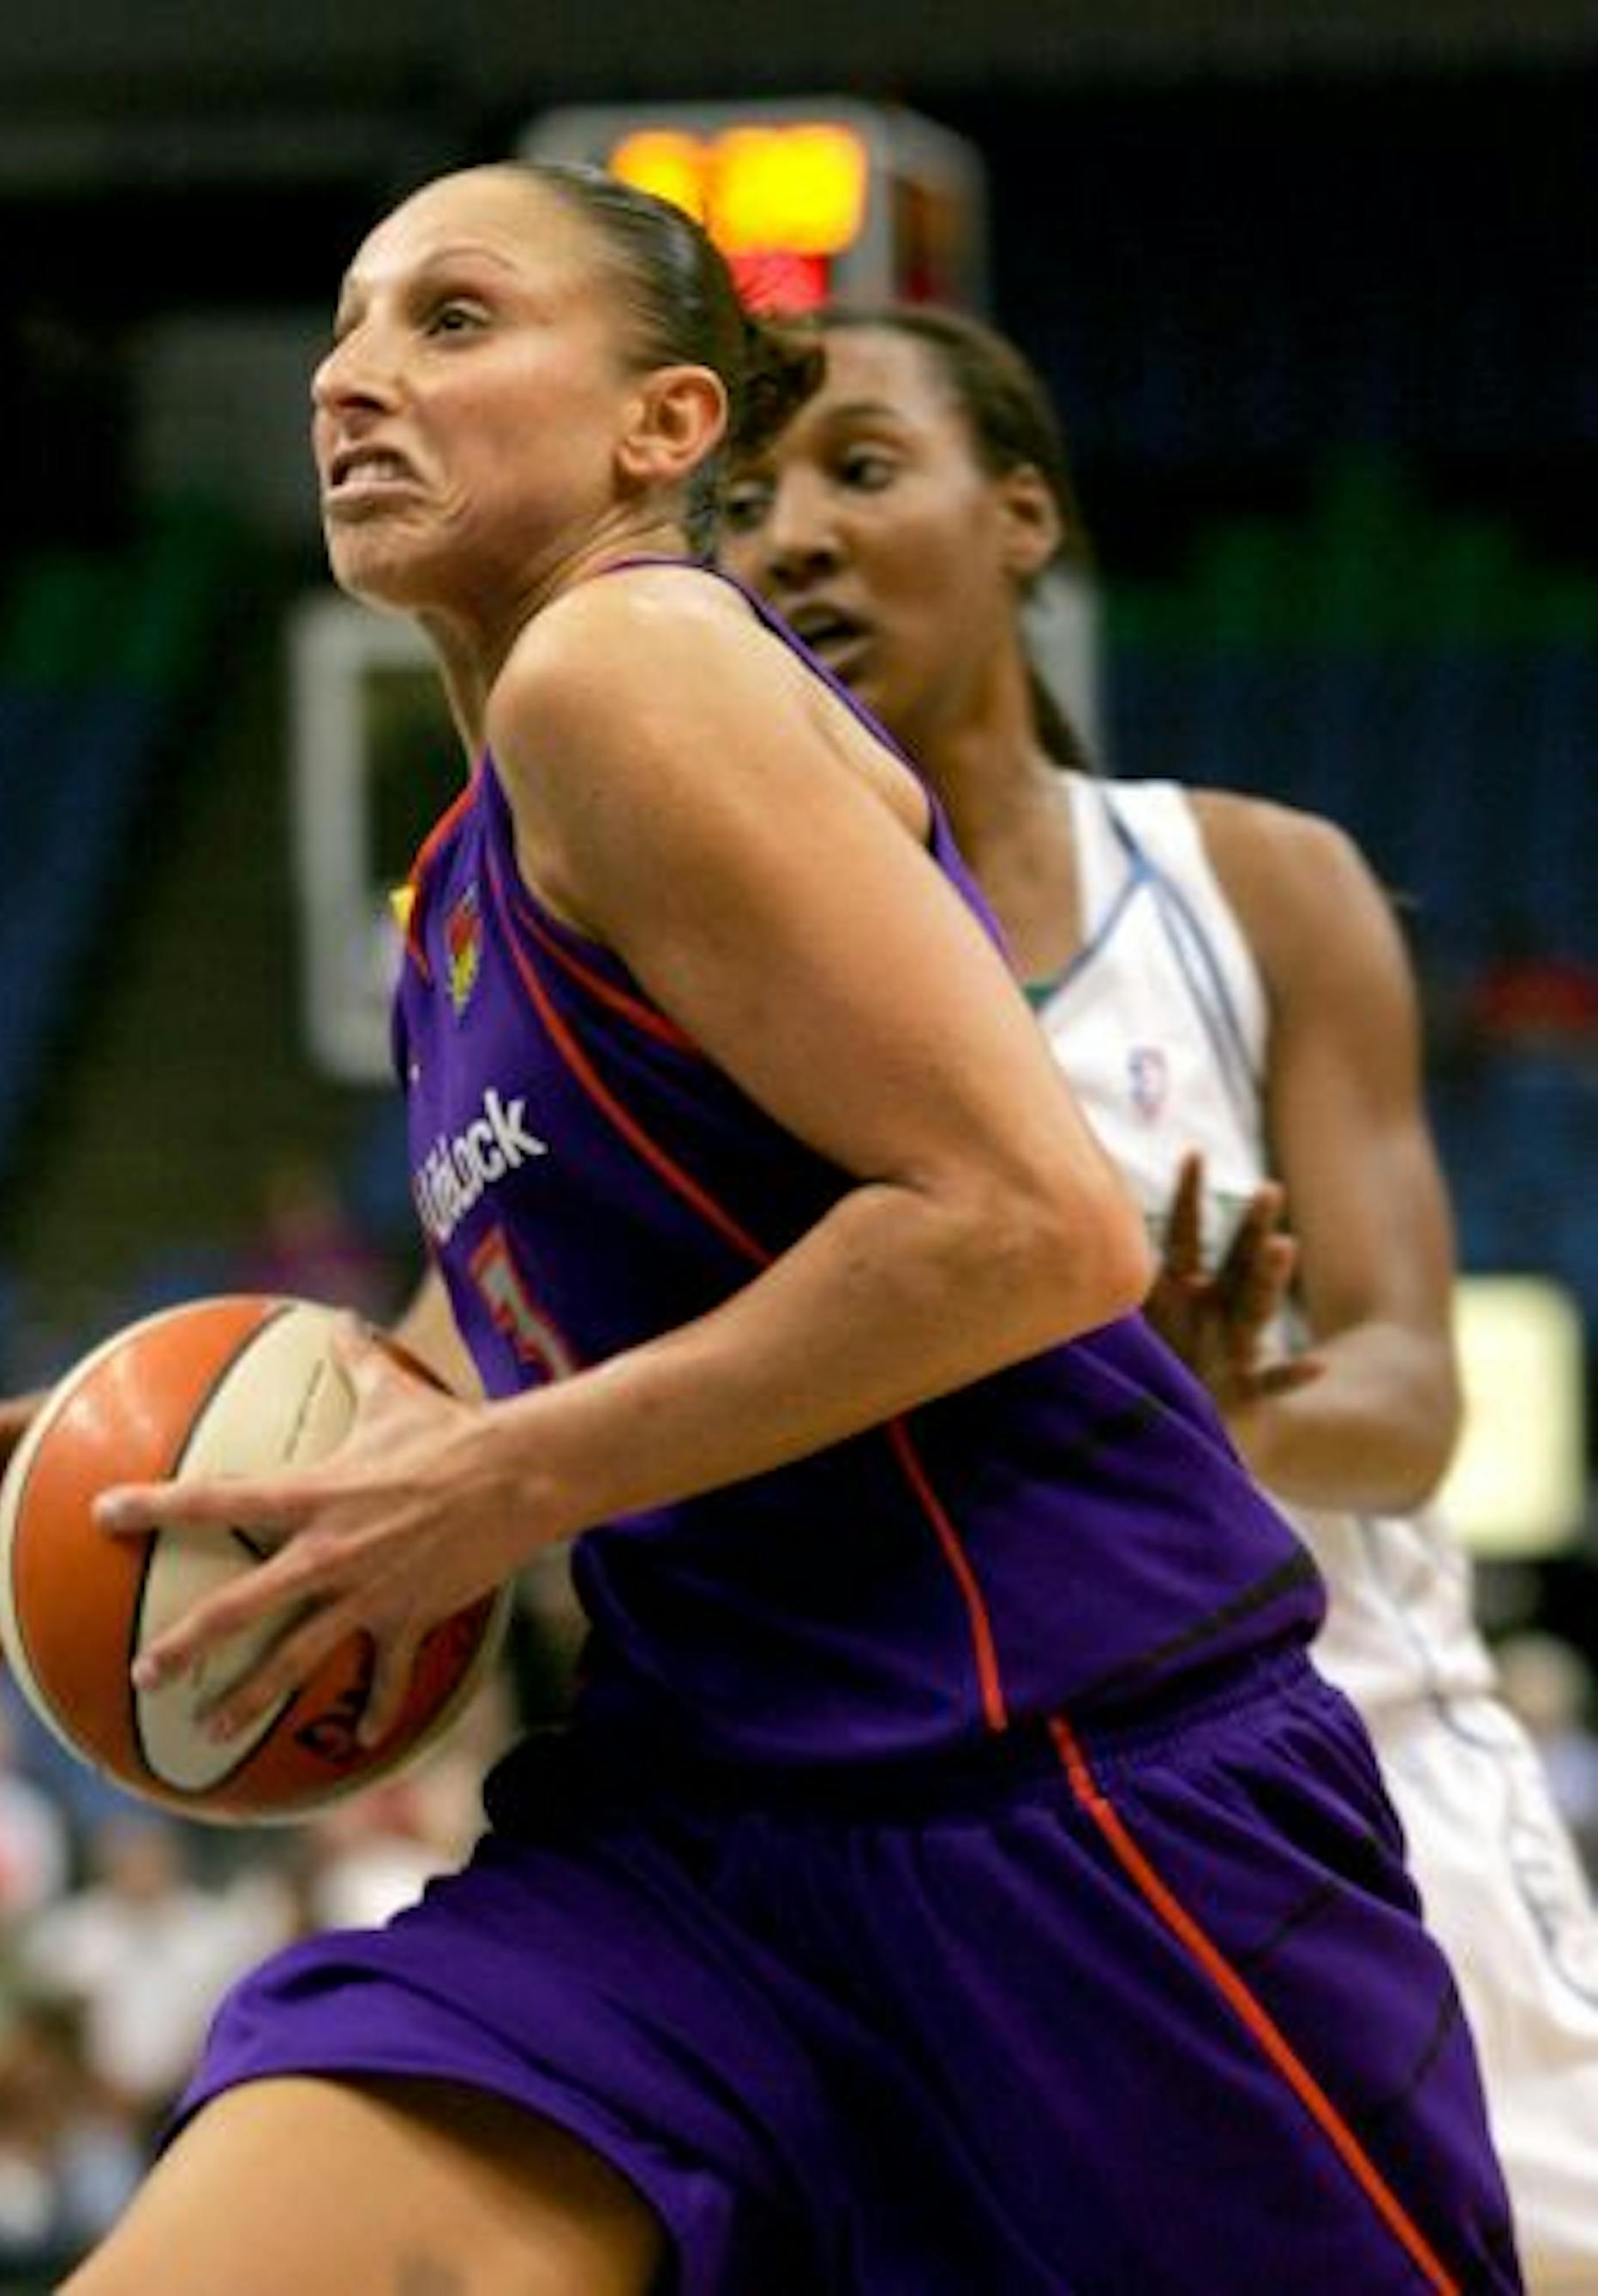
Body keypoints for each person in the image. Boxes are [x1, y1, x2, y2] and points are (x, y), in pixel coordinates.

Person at [0, 162, 1519, 2293]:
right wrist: (136, 1464)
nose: (354, 376)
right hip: (697, 1833)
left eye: (453, 320)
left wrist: (505, 1480)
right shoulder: (451, 892)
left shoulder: (621, 669)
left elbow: (1028, 1223)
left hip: (1061, 1795)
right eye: (346, 325)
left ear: (667, 428)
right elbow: (487, 1347)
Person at [715, 299, 1598, 2290]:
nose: (791, 538)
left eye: (859, 467)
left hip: (1357, 1772)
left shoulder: (1261, 887)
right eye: (746, 501)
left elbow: (1411, 1400)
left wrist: (1205, 1407)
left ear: (1024, 518)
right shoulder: (717, 988)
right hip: (989, 1826)